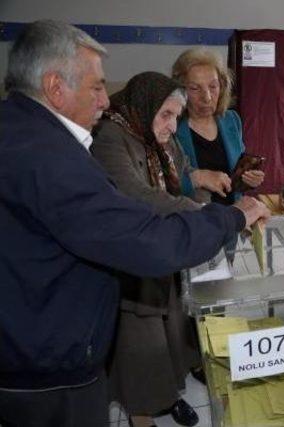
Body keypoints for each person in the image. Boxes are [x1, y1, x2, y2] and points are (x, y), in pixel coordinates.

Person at [0, 20, 269, 427]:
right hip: (45, 367)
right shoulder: (48, 156)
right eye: (95, 87)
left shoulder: (19, 130)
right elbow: (145, 237)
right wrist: (230, 216)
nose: (105, 101)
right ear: (55, 87)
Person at [91, 72, 210, 427]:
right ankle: (140, 412)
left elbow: (185, 175)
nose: (173, 126)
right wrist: (202, 215)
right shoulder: (110, 138)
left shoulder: (156, 136)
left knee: (171, 331)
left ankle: (168, 394)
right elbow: (137, 195)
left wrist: (202, 197)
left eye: (176, 116)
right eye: (167, 115)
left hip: (162, 251)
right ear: (144, 108)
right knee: (139, 342)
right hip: (130, 260)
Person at [172, 47, 264, 205]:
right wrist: (197, 178)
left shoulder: (231, 120)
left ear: (222, 88)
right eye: (195, 88)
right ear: (180, 91)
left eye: (213, 87)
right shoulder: (170, 127)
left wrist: (248, 180)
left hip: (233, 215)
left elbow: (236, 176)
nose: (206, 97)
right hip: (194, 218)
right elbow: (162, 183)